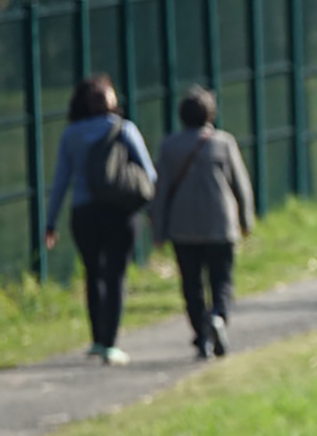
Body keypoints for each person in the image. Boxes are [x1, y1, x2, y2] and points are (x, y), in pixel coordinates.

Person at [42, 72, 156, 366]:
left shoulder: (71, 134)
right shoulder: (124, 129)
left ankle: (96, 338)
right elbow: (149, 174)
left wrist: (50, 222)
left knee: (93, 274)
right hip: (121, 212)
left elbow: (61, 181)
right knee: (116, 274)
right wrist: (154, 212)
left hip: (84, 213)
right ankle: (111, 343)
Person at [152, 85, 256, 359]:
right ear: (211, 113)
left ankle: (201, 335)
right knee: (221, 279)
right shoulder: (224, 142)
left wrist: (159, 230)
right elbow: (241, 185)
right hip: (221, 224)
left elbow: (160, 191)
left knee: (192, 283)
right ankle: (219, 317)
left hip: (183, 227)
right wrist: (246, 220)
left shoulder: (170, 146)